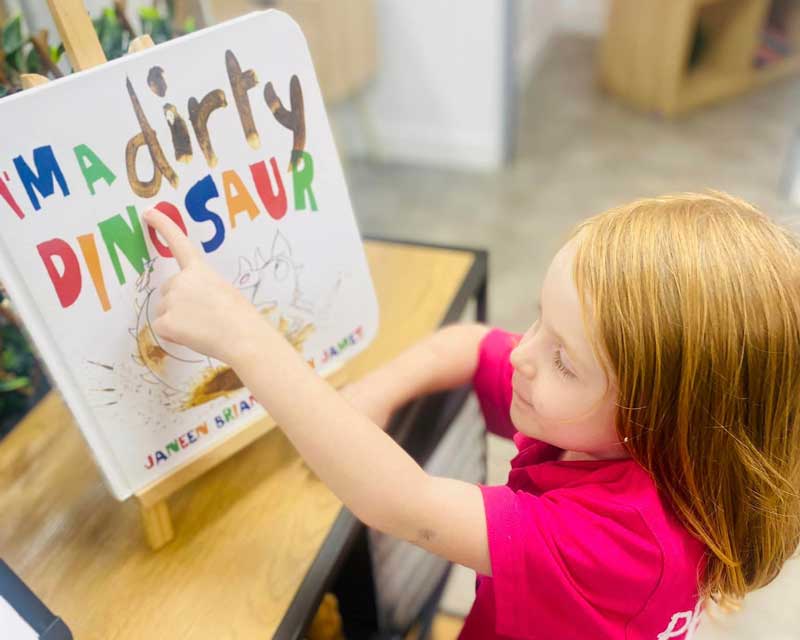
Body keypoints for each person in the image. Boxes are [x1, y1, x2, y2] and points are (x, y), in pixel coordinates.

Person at [143, 191, 800, 639]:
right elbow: (471, 343)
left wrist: (244, 337)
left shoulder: (624, 542)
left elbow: (406, 505)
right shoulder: (620, 435)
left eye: (565, 359)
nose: (524, 357)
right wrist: (379, 390)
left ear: (659, 419)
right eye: (541, 320)